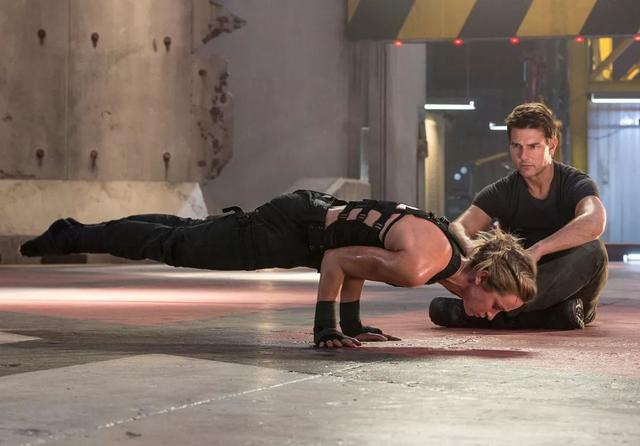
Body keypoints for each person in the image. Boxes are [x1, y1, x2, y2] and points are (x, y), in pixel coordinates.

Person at [20, 190, 536, 347]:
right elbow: (337, 259)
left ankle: (78, 230)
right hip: (291, 230)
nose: (490, 316)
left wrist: (353, 324)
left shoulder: (445, 256)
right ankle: (74, 234)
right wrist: (326, 328)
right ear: (482, 278)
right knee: (177, 246)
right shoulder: (423, 266)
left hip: (306, 221)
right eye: (496, 306)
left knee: (184, 233)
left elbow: (360, 252)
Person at [430, 102, 607, 330]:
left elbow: (595, 220)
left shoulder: (574, 183)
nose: (523, 156)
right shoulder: (503, 190)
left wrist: (539, 250)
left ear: (552, 145)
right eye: (517, 146)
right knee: (448, 241)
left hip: (571, 290)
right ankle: (548, 317)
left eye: (533, 146)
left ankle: (482, 313)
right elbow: (458, 227)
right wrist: (470, 248)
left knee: (595, 251)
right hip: (518, 288)